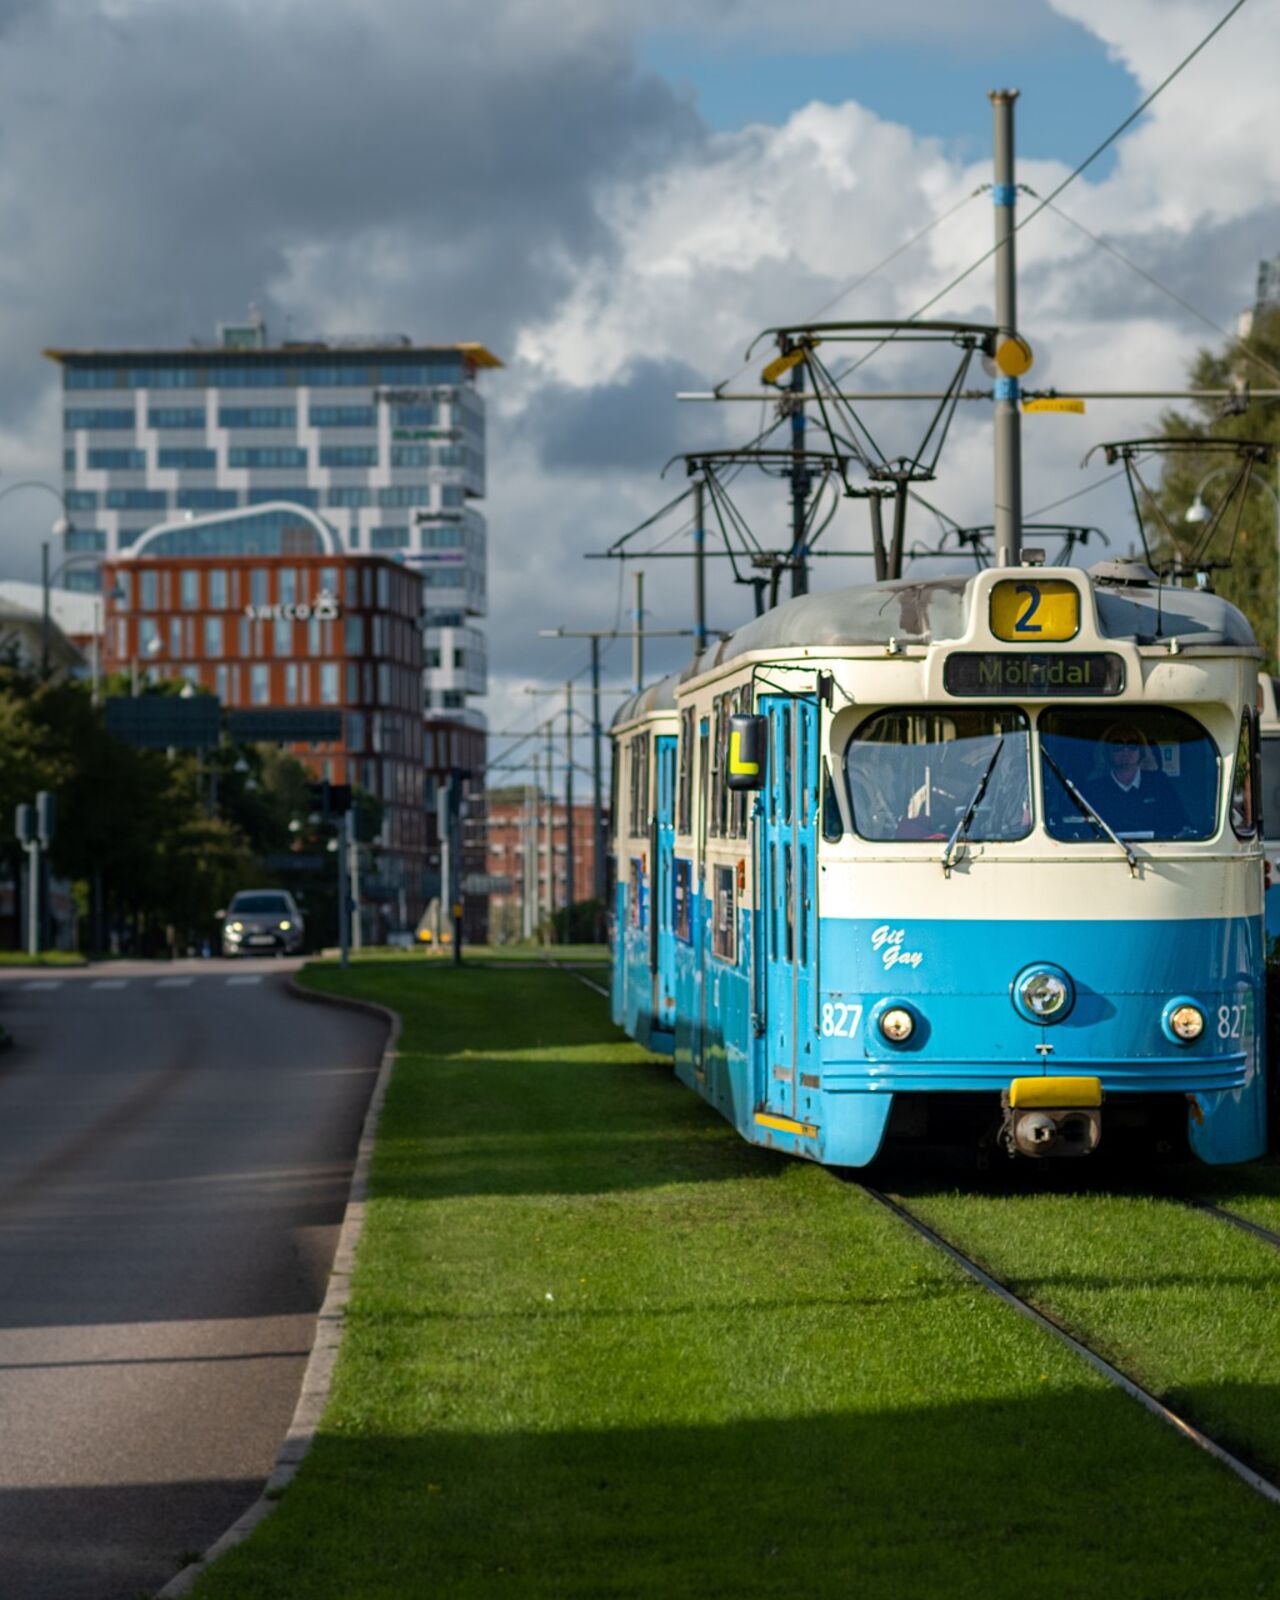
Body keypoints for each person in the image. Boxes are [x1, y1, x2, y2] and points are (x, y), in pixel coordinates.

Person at [1084, 722, 1188, 838]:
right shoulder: (1094, 789)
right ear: (1107, 752)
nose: (1125, 751)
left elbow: (1179, 824)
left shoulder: (1159, 782)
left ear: (1141, 751)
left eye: (1132, 745)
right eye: (1117, 745)